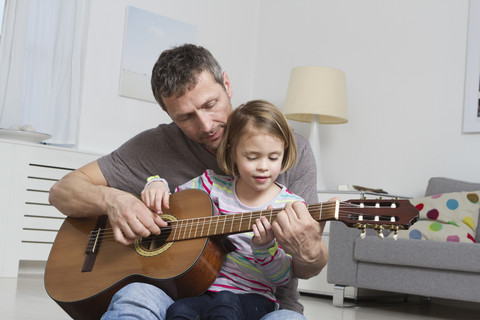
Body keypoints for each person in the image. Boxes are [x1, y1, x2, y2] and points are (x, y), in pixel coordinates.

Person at [49, 44, 328, 320]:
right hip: (175, 294)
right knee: (134, 297)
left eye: (210, 105)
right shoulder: (155, 146)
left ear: (227, 85)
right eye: (186, 117)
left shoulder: (290, 151)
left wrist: (308, 249)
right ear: (169, 115)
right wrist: (114, 200)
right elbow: (62, 191)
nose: (206, 125)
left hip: (265, 302)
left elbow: (307, 269)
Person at [142, 100, 303, 320]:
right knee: (178, 310)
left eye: (273, 157)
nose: (264, 166)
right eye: (252, 157)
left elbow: (282, 278)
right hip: (204, 292)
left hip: (255, 299)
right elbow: (170, 208)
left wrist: (264, 248)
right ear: (233, 152)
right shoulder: (210, 185)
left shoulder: (290, 207)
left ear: (284, 152)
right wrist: (155, 183)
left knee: (225, 301)